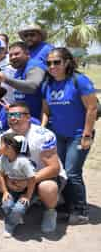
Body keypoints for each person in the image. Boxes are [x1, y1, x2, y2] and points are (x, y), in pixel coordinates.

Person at [0, 102, 67, 234]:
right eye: (9, 115)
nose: (12, 118)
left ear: (28, 117)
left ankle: (50, 211)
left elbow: (54, 168)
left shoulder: (43, 135)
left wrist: (28, 181)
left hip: (43, 177)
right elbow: (2, 166)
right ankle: (15, 207)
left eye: (17, 115)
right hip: (18, 178)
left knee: (48, 187)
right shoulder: (2, 138)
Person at [41, 47, 98, 224]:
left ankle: (81, 211)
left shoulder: (79, 81)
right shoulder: (48, 84)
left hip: (78, 135)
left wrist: (87, 134)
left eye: (56, 62)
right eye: (49, 63)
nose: (52, 66)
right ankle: (67, 206)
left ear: (66, 62)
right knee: (61, 171)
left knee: (73, 172)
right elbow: (46, 111)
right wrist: (42, 129)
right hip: (58, 135)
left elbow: (92, 108)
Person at [0, 41, 46, 119]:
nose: (13, 57)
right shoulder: (19, 70)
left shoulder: (34, 66)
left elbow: (32, 87)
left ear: (27, 54)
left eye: (17, 54)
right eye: (10, 55)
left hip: (37, 120)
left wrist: (5, 79)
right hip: (23, 120)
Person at [0, 133, 36, 237]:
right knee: (7, 205)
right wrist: (5, 191)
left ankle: (9, 226)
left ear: (9, 147)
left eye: (1, 144)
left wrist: (27, 196)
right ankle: (16, 218)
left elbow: (32, 180)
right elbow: (0, 174)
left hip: (26, 191)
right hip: (12, 190)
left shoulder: (23, 162)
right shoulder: (3, 158)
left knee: (18, 209)